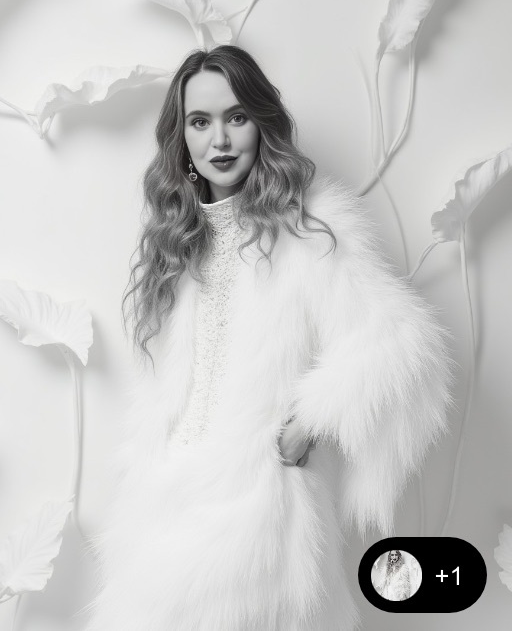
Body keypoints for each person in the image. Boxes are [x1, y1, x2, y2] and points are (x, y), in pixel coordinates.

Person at [81, 45, 455, 631]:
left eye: (236, 117)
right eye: (200, 122)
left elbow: (402, 342)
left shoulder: (307, 226)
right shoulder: (176, 241)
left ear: (261, 123)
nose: (220, 140)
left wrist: (314, 418)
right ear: (182, 138)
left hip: (258, 511)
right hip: (163, 501)